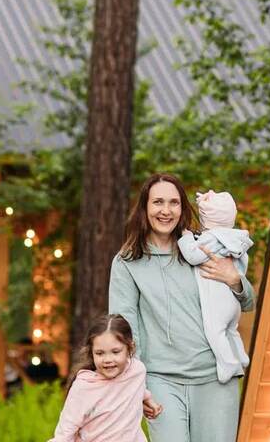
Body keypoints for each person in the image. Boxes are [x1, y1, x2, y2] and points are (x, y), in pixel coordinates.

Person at [109, 173, 255, 442]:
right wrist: (135, 385)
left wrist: (234, 279)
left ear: (182, 208)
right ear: (145, 208)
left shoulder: (202, 248)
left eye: (173, 203)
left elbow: (248, 302)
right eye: (158, 202)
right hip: (160, 381)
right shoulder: (127, 261)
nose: (165, 211)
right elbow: (124, 328)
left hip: (215, 379)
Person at [176, 189, 253, 383]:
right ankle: (241, 356)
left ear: (207, 220)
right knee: (231, 329)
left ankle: (229, 364)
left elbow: (193, 256)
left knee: (215, 331)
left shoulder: (212, 237)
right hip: (232, 301)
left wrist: (185, 237)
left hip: (218, 300)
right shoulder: (234, 238)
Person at [48, 314, 162, 442]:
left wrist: (147, 399)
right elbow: (66, 430)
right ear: (91, 352)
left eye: (115, 352)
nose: (107, 359)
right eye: (100, 353)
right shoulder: (84, 387)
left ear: (130, 348)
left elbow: (137, 387)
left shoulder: (137, 370)